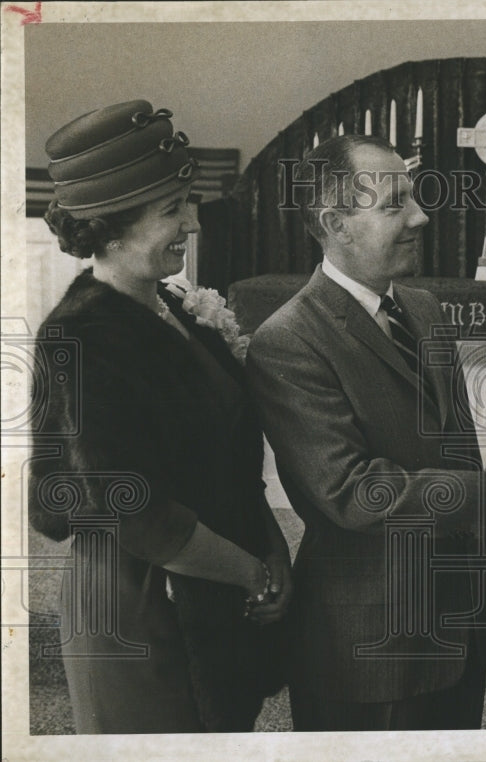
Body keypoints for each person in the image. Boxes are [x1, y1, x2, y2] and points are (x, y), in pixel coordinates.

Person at [246, 135, 486, 731]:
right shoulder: (288, 339)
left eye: (415, 197)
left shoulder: (423, 309)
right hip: (370, 647)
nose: (421, 216)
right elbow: (349, 491)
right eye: (393, 203)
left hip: (460, 628)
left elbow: (459, 452)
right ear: (336, 224)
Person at [28, 100, 292, 733]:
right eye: (173, 211)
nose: (193, 225)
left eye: (188, 205)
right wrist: (251, 571)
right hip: (138, 603)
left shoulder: (174, 309)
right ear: (109, 230)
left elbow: (231, 460)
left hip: (213, 588)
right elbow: (137, 516)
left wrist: (273, 548)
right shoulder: (85, 335)